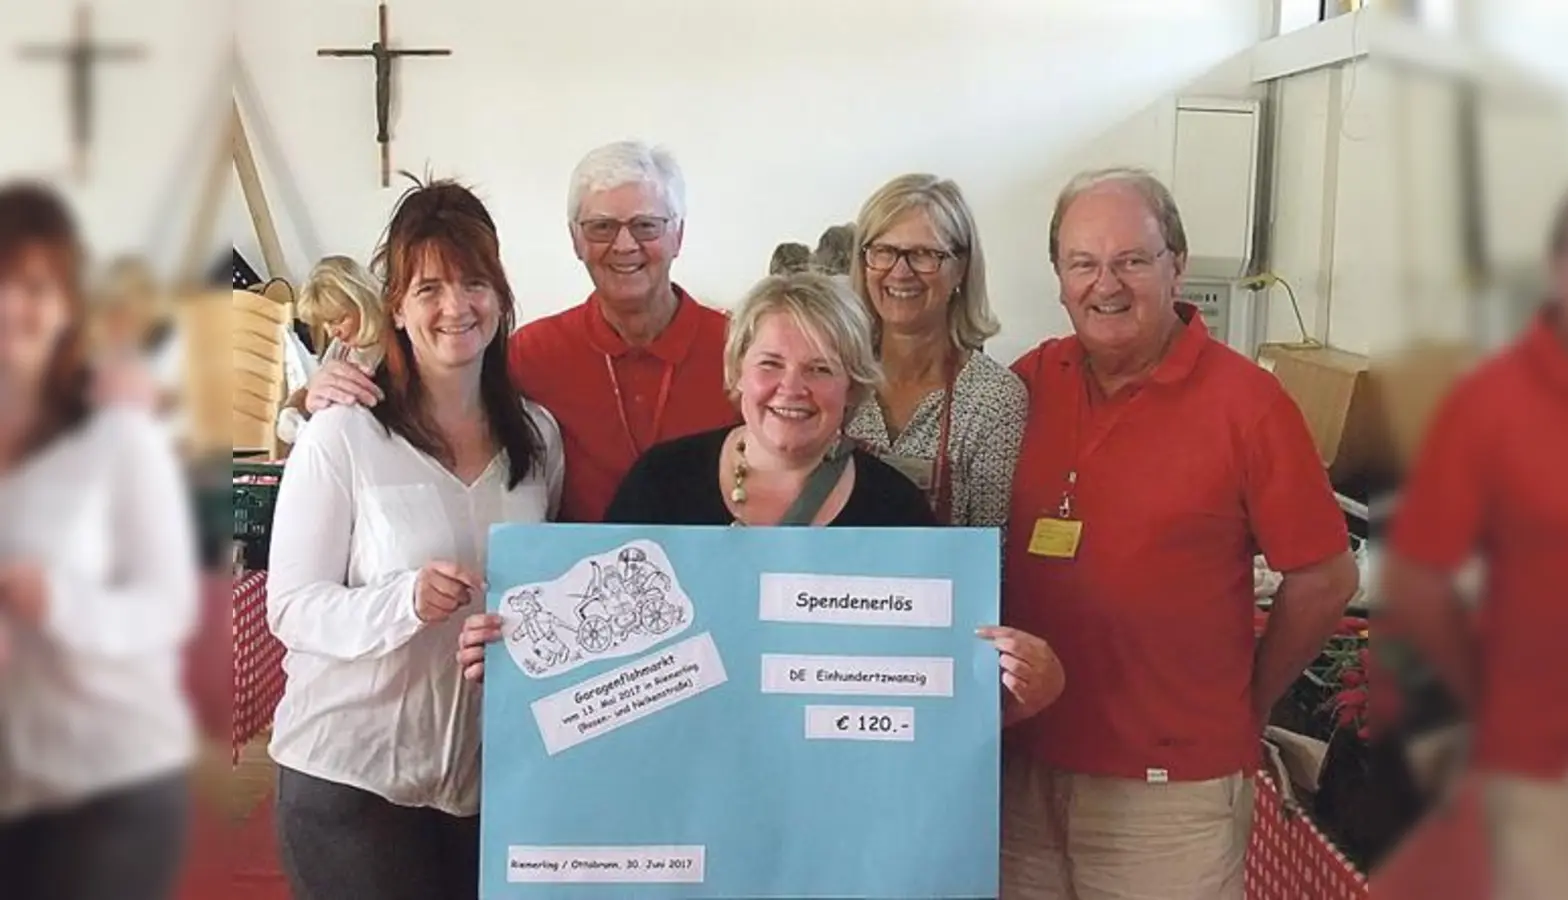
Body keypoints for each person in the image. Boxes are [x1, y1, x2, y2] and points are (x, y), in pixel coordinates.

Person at [458, 271, 1065, 729]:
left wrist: (1021, 688)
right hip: (676, 811)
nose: (791, 389)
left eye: (820, 369)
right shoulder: (663, 483)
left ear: (852, 386)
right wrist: (510, 658)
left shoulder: (896, 511)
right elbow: (586, 643)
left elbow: (938, 696)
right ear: (738, 373)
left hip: (824, 829)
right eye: (770, 363)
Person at [1000, 168, 1358, 900]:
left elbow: (1327, 577)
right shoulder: (1032, 380)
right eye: (1084, 263)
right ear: (1060, 277)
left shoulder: (1248, 405)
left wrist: (1250, 700)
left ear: (1177, 264)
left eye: (1132, 259)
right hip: (1023, 771)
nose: (1107, 284)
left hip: (1170, 793)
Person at [265, 178, 564, 900]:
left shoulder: (539, 439)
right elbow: (292, 608)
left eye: (474, 283)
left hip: (478, 783)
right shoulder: (343, 433)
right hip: (351, 778)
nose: (454, 306)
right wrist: (405, 602)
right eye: (429, 287)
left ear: (500, 297)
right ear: (395, 306)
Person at [300, 140, 736, 522]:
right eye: (601, 227)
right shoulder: (532, 353)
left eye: (646, 225)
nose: (624, 245)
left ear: (678, 235)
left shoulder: (741, 351)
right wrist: (315, 391)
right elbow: (437, 375)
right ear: (576, 240)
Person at [1380, 173, 1568, 899]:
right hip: (1555, 784)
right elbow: (1417, 580)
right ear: (1560, 268)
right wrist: (1491, 697)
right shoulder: (1494, 403)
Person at [0, 181, 200, 900]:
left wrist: (58, 604)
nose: (14, 306)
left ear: (66, 307)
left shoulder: (119, 437)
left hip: (110, 784)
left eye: (35, 285)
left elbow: (168, 609)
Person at [845, 174, 1027, 527]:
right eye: (884, 251)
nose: (900, 272)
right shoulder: (835, 378)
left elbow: (991, 557)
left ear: (960, 267)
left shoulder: (992, 401)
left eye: (923, 254)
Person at [277, 254, 388, 445]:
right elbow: (310, 388)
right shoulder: (341, 349)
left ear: (363, 303)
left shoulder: (394, 345)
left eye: (339, 320)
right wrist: (290, 413)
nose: (332, 333)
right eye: (325, 324)